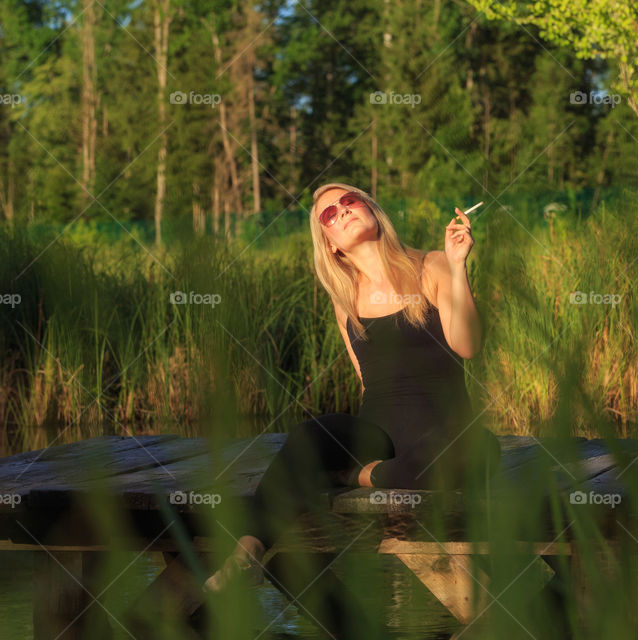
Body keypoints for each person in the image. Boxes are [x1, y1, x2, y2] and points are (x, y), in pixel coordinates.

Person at [200, 182, 502, 599]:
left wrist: (458, 266)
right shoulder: (346, 299)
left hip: (443, 439)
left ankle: (358, 476)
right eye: (329, 214)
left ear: (372, 210)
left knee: (480, 449)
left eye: (350, 201)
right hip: (376, 438)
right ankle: (246, 555)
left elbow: (468, 346)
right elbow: (367, 381)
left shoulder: (431, 266)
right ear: (331, 246)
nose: (342, 211)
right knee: (312, 433)